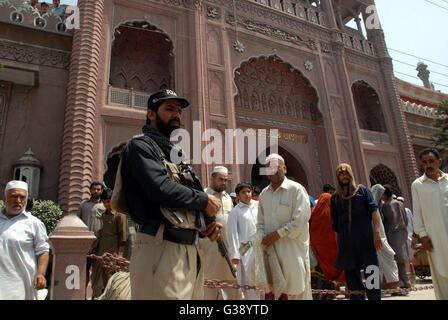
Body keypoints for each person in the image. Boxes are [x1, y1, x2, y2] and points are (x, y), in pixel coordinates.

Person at [120, 88, 222, 300]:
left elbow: (190, 190)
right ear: (151, 114)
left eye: (179, 111)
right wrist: (204, 200)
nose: (176, 114)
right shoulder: (140, 146)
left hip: (188, 250)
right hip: (159, 248)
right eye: (169, 109)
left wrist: (205, 224)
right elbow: (160, 188)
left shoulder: (175, 153)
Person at [257, 153, 312, 300]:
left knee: (297, 291)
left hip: (293, 251)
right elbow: (260, 222)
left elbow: (300, 220)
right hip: (271, 252)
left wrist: (277, 235)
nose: (273, 170)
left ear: (285, 169)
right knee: (275, 292)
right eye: (269, 168)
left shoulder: (296, 190)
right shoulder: (264, 194)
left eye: (276, 167)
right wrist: (260, 237)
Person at [330, 163, 382, 300]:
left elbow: (374, 211)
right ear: (337, 177)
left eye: (346, 173)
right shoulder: (335, 198)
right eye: (341, 174)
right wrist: (338, 246)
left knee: (372, 273)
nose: (344, 176)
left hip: (366, 241)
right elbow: (335, 225)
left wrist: (377, 233)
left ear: (351, 174)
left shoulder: (363, 191)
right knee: (352, 280)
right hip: (347, 244)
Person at [0, 180, 50, 300]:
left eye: (22, 197)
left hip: (21, 283)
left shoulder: (34, 224)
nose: (18, 201)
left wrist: (40, 274)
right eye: (14, 196)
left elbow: (43, 251)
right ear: (5, 197)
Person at [411, 148, 448, 299]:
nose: (428, 165)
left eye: (431, 161)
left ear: (439, 162)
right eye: (425, 163)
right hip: (435, 236)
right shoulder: (418, 185)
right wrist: (423, 235)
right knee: (441, 273)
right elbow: (417, 211)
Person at [201, 166, 240, 300]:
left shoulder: (227, 197)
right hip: (209, 247)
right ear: (212, 178)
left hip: (228, 247)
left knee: (231, 283)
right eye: (220, 179)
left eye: (225, 180)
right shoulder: (203, 195)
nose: (224, 183)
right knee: (209, 284)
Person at [227, 182, 261, 300]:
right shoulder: (235, 212)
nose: (247, 194)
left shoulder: (256, 208)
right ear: (238, 196)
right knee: (249, 284)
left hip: (260, 250)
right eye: (243, 192)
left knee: (261, 284)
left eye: (249, 191)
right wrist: (235, 254)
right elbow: (232, 234)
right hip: (245, 252)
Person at [309, 192, 345, 299]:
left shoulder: (313, 215)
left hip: (317, 258)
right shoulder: (333, 215)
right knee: (329, 285)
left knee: (316, 285)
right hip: (332, 259)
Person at [77, 181, 106, 298]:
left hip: (100, 243)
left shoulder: (104, 206)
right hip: (86, 244)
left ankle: (96, 295)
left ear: (102, 191)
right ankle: (82, 295)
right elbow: (77, 222)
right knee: (84, 271)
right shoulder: (83, 205)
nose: (96, 191)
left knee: (98, 273)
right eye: (94, 189)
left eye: (98, 189)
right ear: (90, 190)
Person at [381, 185, 411, 293]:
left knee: (396, 260)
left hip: (392, 234)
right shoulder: (400, 203)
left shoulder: (386, 206)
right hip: (402, 232)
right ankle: (405, 282)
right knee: (401, 259)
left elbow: (384, 222)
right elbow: (406, 220)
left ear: (384, 195)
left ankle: (403, 283)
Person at [96, 189, 127, 293]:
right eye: (104, 202)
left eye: (108, 202)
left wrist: (120, 254)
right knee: (104, 277)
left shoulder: (119, 215)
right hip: (103, 252)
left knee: (112, 279)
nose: (106, 205)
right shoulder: (104, 215)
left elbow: (123, 236)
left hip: (113, 253)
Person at [370, 184, 400, 292]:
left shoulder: (374, 207)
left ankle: (390, 287)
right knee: (376, 265)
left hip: (379, 239)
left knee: (383, 263)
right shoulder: (370, 207)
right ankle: (390, 288)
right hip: (377, 239)